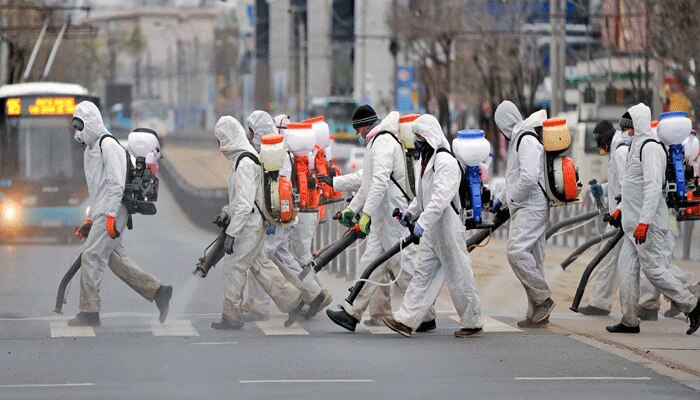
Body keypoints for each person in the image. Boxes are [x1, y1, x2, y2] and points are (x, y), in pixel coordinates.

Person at [326, 106, 435, 332]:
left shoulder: (383, 142)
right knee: (370, 264)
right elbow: (365, 181)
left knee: (404, 265)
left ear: (366, 126)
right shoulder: (376, 143)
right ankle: (351, 312)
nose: (357, 134)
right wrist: (345, 199)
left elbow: (379, 182)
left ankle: (425, 315)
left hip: (393, 216)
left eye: (358, 129)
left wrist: (364, 214)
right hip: (383, 218)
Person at [69, 101, 172, 327]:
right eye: (76, 128)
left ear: (91, 123)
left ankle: (89, 312)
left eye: (80, 127)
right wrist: (90, 218)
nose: (78, 133)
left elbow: (115, 184)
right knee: (116, 261)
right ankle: (159, 292)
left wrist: (108, 216)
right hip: (106, 210)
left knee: (91, 256)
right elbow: (98, 190)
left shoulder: (109, 146)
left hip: (114, 210)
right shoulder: (91, 149)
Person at [383, 114, 483, 338]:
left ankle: (473, 320)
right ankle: (407, 320)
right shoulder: (424, 161)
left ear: (429, 136)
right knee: (422, 275)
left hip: (447, 226)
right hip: (432, 230)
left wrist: (422, 224)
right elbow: (422, 197)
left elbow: (440, 199)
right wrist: (410, 213)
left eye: (419, 136)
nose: (417, 141)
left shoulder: (446, 162)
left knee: (459, 275)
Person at [606, 104, 700, 335]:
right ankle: (629, 319)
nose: (623, 131)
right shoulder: (635, 146)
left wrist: (644, 222)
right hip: (633, 225)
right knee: (626, 269)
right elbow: (632, 188)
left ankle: (692, 305)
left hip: (647, 225)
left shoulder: (650, 148)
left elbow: (651, 188)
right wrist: (620, 209)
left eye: (626, 127)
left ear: (635, 126)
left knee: (655, 270)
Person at [210, 116, 303, 330]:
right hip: (255, 222)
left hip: (249, 226)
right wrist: (226, 212)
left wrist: (232, 233)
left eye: (219, 140)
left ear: (226, 138)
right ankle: (294, 300)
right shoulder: (246, 158)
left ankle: (231, 316)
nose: (219, 146)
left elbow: (244, 203)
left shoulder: (243, 162)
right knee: (260, 265)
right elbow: (244, 199)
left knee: (234, 267)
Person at [245, 111, 332, 320]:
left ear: (258, 131)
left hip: (277, 217)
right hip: (286, 216)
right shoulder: (280, 151)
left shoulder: (275, 153)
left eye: (251, 132)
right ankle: (314, 293)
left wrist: (267, 216)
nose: (249, 136)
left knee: (259, 258)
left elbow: (273, 189)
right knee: (285, 260)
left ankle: (259, 307)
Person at [493, 101, 555, 328]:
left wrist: (511, 200)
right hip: (527, 204)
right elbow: (514, 176)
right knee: (535, 259)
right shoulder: (520, 138)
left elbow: (528, 177)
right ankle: (537, 312)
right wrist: (500, 197)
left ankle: (543, 298)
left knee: (516, 251)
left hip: (531, 205)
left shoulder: (525, 138)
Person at [577, 120, 628, 316]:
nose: (599, 147)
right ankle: (600, 302)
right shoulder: (616, 150)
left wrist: (618, 211)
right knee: (614, 259)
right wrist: (603, 189)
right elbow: (617, 184)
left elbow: (627, 186)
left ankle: (688, 297)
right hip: (621, 215)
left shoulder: (621, 152)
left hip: (623, 216)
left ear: (606, 137)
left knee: (612, 259)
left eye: (599, 142)